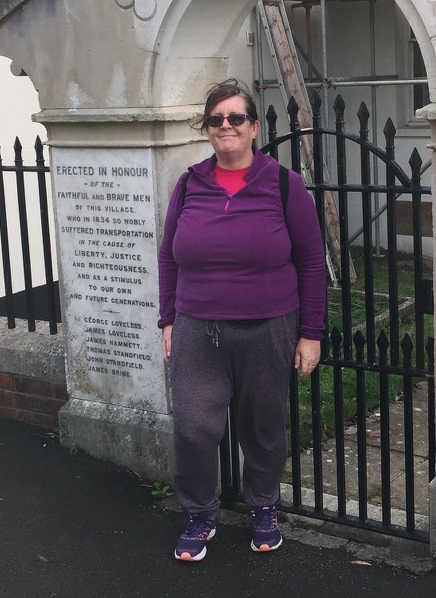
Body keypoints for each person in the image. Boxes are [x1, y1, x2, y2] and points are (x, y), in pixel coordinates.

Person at [158, 79, 327, 562]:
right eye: (216, 119)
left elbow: (311, 263)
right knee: (192, 426)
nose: (225, 125)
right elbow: (169, 257)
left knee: (264, 426)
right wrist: (168, 318)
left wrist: (310, 333)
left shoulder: (282, 184)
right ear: (207, 129)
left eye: (235, 117)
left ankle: (263, 507)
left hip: (268, 325)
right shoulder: (190, 184)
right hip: (197, 326)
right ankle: (199, 513)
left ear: (254, 127)